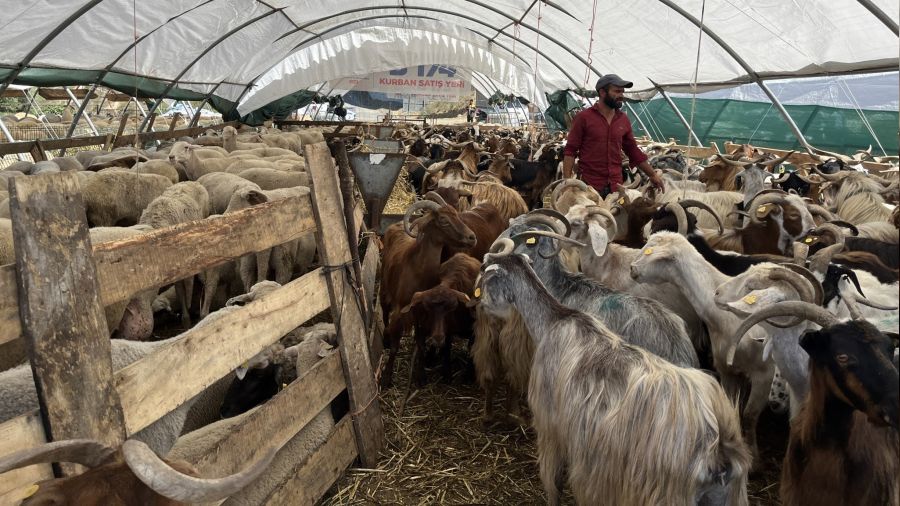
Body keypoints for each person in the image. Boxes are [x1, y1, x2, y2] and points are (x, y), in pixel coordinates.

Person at [562, 74, 665, 197]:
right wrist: (567, 183)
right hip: (589, 187)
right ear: (602, 92)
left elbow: (632, 150)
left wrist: (652, 175)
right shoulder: (584, 118)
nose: (621, 95)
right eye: (616, 91)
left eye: (622, 91)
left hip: (616, 186)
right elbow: (570, 151)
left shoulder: (623, 120)